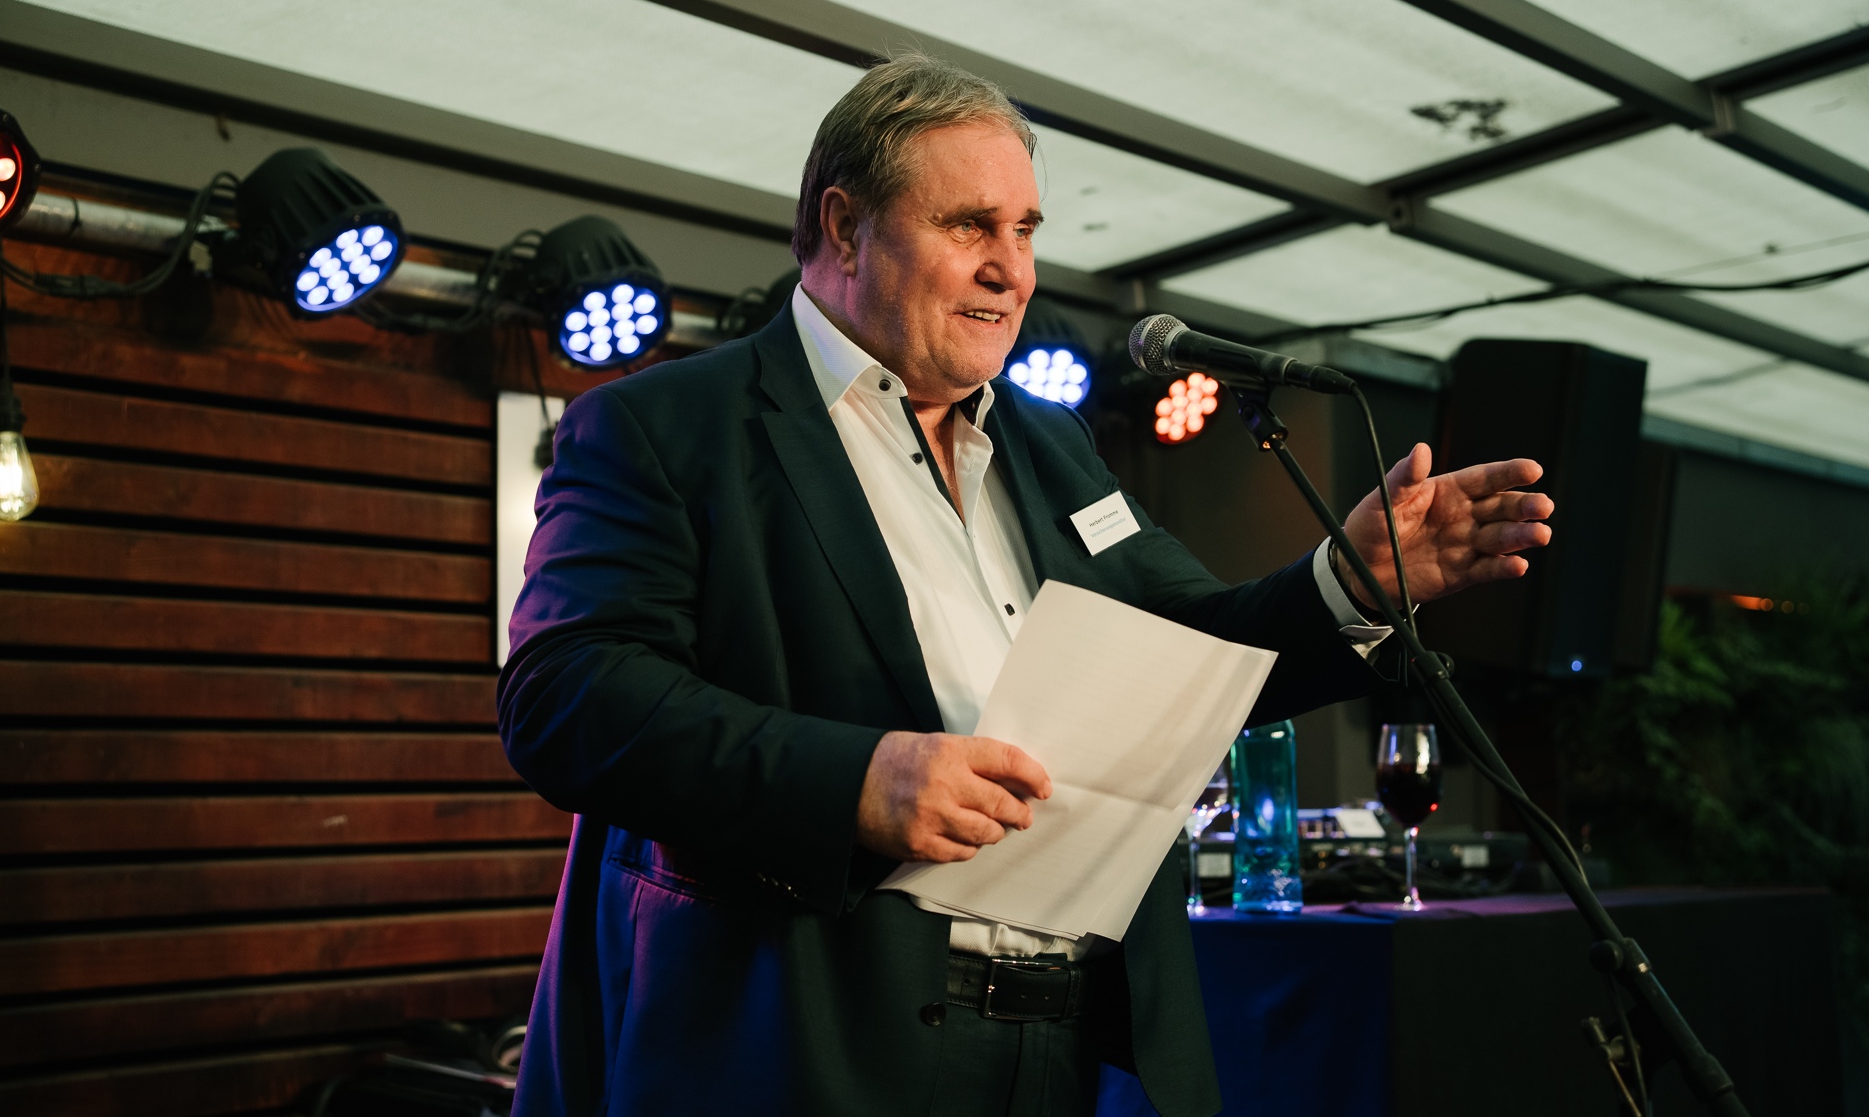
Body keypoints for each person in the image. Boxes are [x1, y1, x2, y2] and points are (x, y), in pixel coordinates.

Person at [501, 54, 1553, 1117]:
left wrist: (1350, 583)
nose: (1012, 269)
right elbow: (565, 695)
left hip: (1065, 1046)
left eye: (1026, 230)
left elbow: (1197, 648)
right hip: (814, 1037)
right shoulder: (663, 426)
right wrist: (854, 781)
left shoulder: (1052, 444)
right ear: (845, 225)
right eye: (971, 225)